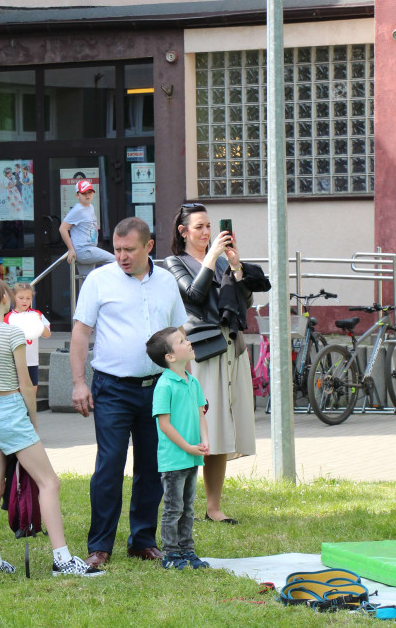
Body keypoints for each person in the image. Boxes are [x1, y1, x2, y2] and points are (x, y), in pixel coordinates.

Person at [70, 217, 188, 569]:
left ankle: (142, 540)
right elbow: (80, 334)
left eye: (128, 250)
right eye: (117, 249)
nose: (120, 256)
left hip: (158, 387)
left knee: (152, 466)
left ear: (148, 247)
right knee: (109, 465)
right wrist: (78, 382)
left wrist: (187, 387)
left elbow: (178, 335)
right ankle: (100, 545)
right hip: (112, 388)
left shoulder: (167, 282)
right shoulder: (98, 280)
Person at [0, 277, 104, 578]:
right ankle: (63, 559)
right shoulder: (11, 332)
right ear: (4, 298)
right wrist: (34, 421)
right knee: (49, 482)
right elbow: (26, 386)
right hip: (10, 412)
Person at [163, 204, 269, 525]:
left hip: (230, 345)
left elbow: (245, 302)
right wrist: (211, 261)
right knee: (195, 425)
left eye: (209, 226)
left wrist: (236, 268)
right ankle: (180, 505)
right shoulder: (173, 264)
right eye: (199, 227)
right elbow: (194, 295)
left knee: (221, 426)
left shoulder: (223, 260)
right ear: (183, 232)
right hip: (199, 349)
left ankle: (213, 507)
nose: (207, 233)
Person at [146, 327, 210, 570]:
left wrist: (204, 441)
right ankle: (171, 555)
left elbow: (200, 414)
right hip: (175, 459)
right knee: (174, 508)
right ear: (170, 357)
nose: (189, 342)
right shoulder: (164, 386)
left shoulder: (192, 382)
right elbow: (165, 425)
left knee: (189, 507)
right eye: (182, 341)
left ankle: (188, 551)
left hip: (193, 456)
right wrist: (187, 447)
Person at [3, 282, 51, 388]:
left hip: (32, 361)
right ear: (13, 297)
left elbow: (47, 335)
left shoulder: (37, 314)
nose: (25, 301)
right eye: (21, 297)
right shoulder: (8, 317)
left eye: (28, 298)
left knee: (32, 391)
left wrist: (40, 323)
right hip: (13, 362)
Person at [60, 180, 114, 268]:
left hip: (89, 249)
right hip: (84, 250)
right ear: (77, 195)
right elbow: (62, 228)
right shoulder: (77, 210)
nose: (87, 195)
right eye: (84, 193)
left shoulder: (90, 207)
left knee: (87, 280)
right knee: (115, 261)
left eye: (90, 192)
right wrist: (70, 249)